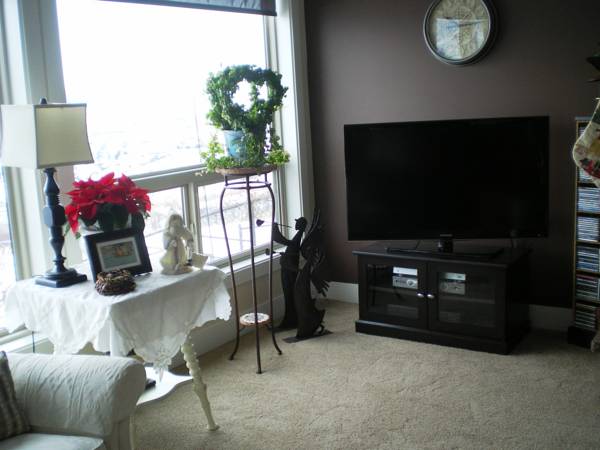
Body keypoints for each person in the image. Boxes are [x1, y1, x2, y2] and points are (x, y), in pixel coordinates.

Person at [271, 217, 308, 329]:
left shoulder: (297, 237)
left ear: (301, 225)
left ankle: (290, 321)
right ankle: (291, 319)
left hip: (289, 271)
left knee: (289, 296)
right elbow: (289, 246)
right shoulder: (298, 236)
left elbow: (285, 242)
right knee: (288, 296)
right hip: (288, 269)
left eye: (297, 223)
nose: (295, 224)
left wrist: (275, 231)